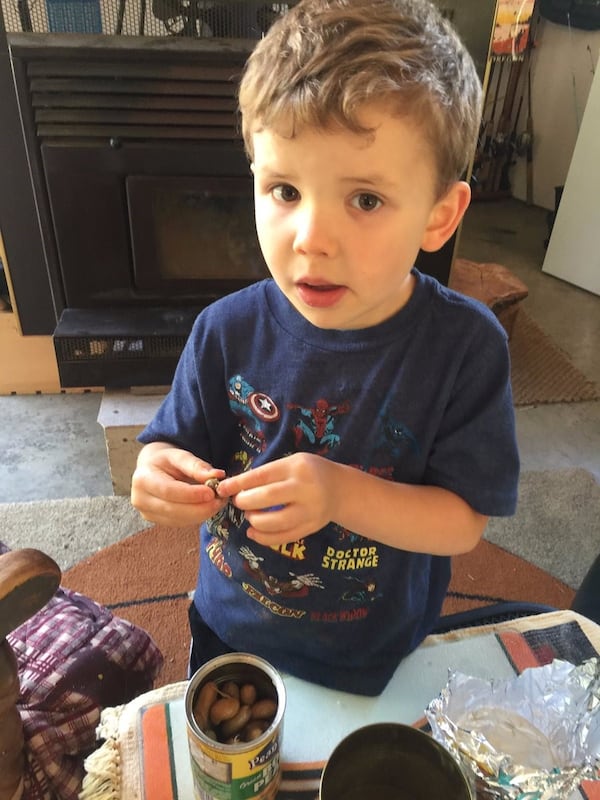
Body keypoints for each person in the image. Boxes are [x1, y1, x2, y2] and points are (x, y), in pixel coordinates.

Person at [131, 0, 520, 696]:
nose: (310, 238)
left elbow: (463, 521)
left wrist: (340, 492)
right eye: (284, 189)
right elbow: (167, 447)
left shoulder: (465, 349)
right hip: (230, 623)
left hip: (373, 644)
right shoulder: (224, 330)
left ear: (440, 216)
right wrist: (156, 474)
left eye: (365, 200)